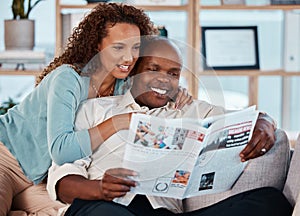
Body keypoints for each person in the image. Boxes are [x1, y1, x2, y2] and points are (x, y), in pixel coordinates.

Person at [47, 37, 291, 215]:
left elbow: (248, 117)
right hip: (106, 206)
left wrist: (265, 122)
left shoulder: (191, 110)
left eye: (173, 74)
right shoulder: (95, 110)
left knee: (270, 201)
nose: (164, 79)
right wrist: (101, 188)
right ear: (133, 71)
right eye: (153, 69)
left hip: (165, 212)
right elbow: (63, 179)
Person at [0, 3, 194, 215]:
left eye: (136, 47)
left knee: (71, 211)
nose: (129, 58)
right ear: (96, 45)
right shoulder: (68, 78)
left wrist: (174, 91)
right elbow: (61, 151)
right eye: (118, 47)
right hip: (8, 159)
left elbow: (151, 85)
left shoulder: (123, 84)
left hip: (41, 177)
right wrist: (117, 123)